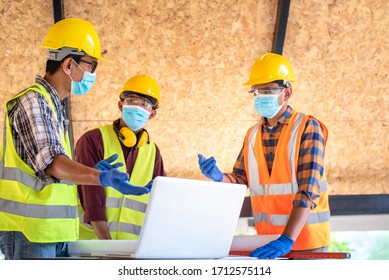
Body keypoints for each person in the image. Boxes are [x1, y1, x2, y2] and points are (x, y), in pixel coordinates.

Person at [0, 18, 150, 260]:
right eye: (92, 65)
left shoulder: (54, 106)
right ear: (69, 64)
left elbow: (51, 173)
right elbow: (52, 163)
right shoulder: (34, 101)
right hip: (31, 233)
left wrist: (88, 171)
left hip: (54, 234)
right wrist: (99, 177)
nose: (94, 73)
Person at [198, 52, 330, 259]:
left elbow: (308, 190)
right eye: (257, 92)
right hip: (268, 242)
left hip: (306, 243)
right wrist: (219, 177)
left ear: (287, 93)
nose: (261, 97)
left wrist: (287, 239)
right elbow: (241, 179)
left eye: (267, 90)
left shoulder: (307, 127)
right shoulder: (252, 135)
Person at [75, 74, 166, 240]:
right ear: (120, 105)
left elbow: (160, 205)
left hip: (132, 250)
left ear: (152, 114)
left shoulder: (153, 152)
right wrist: (108, 247)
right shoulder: (93, 140)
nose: (138, 107)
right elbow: (91, 201)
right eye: (131, 100)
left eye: (145, 104)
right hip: (92, 247)